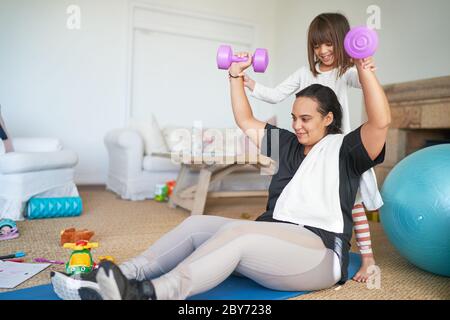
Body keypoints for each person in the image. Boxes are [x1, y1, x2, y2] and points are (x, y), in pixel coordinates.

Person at [50, 49, 390, 300]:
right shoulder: (287, 143)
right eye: (293, 118)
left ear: (328, 119)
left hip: (319, 253)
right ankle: (118, 276)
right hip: (274, 238)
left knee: (241, 234)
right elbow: (245, 120)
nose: (297, 125)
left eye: (306, 119)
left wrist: (365, 71)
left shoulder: (346, 150)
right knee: (199, 224)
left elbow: (380, 122)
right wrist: (234, 77)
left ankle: (149, 293)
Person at [244, 13, 380, 281]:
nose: (323, 50)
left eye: (329, 43)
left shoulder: (347, 73)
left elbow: (367, 86)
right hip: (310, 152)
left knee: (354, 204)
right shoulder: (304, 73)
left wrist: (365, 67)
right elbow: (274, 94)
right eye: (317, 45)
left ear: (341, 41)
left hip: (339, 149)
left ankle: (369, 259)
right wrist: (249, 83)